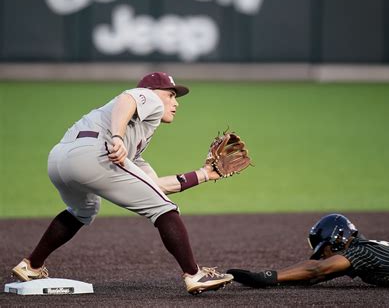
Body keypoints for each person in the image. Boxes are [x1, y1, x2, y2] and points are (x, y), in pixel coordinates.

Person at [11, 72, 234, 295]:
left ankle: (31, 266)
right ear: (153, 92)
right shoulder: (149, 98)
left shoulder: (135, 140)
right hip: (95, 153)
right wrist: (117, 137)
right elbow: (127, 99)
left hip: (59, 160)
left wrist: (204, 174)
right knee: (165, 209)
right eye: (171, 95)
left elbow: (154, 186)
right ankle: (194, 275)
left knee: (85, 209)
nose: (175, 103)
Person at [228, 213, 389, 288]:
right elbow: (319, 274)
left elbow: (317, 269)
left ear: (338, 240)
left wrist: (265, 277)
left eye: (324, 249)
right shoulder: (364, 251)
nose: (324, 255)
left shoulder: (361, 252)